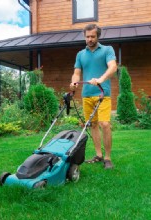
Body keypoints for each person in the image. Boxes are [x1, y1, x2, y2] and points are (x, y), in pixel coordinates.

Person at [70, 24, 117, 169]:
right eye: (87, 36)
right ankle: (98, 155)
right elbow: (77, 73)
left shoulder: (107, 50)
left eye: (92, 36)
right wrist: (74, 82)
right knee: (93, 125)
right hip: (87, 95)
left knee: (105, 124)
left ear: (98, 36)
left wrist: (101, 79)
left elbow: (113, 67)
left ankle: (108, 158)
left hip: (103, 94)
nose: (89, 39)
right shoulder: (80, 54)